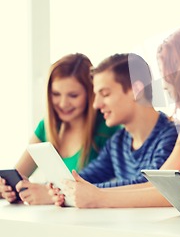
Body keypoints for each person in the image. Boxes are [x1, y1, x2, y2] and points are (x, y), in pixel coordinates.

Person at [50, 28, 180, 208]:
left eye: (168, 73)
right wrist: (94, 194)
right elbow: (160, 185)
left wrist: (100, 198)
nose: (164, 84)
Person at [49, 53, 178, 207]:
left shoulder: (171, 136)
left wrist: (87, 192)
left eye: (105, 94)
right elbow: (87, 176)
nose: (96, 104)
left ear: (137, 90)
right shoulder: (118, 142)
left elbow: (148, 186)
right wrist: (61, 189)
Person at [0, 53, 120, 205]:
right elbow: (17, 175)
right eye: (56, 94)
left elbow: (106, 189)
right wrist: (7, 189)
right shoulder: (48, 126)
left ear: (90, 93)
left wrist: (50, 195)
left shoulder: (108, 128)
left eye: (73, 95)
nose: (63, 103)